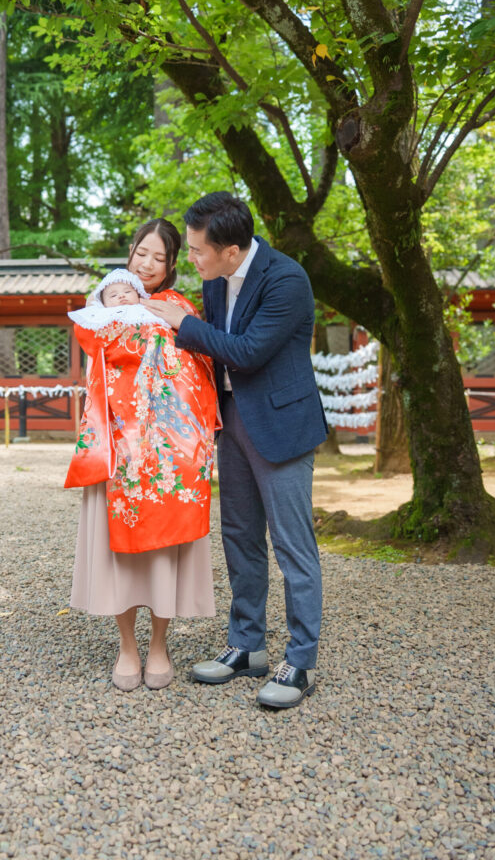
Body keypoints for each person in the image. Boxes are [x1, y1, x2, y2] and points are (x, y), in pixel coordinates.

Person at [146, 192, 328, 709]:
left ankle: (301, 660)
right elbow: (213, 351)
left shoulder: (286, 279)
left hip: (283, 426)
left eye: (199, 251)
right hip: (233, 423)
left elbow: (246, 352)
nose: (193, 259)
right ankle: (247, 647)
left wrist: (183, 326)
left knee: (293, 547)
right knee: (240, 537)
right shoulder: (213, 277)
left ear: (231, 251)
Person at [66, 220, 218, 692]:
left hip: (169, 454)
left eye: (158, 258)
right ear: (129, 254)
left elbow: (197, 367)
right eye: (140, 253)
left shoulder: (177, 308)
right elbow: (98, 353)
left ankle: (159, 645)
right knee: (121, 557)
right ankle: (126, 647)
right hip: (119, 447)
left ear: (172, 264)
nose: (147, 265)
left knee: (163, 556)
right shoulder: (105, 305)